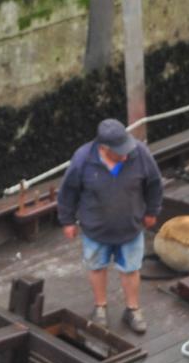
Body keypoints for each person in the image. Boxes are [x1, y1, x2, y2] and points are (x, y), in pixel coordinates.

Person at [57, 118, 163, 335]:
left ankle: (132, 310)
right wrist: (67, 220)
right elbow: (68, 191)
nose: (125, 155)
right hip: (95, 229)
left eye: (126, 148)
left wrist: (152, 211)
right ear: (103, 148)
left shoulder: (140, 153)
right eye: (119, 152)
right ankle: (100, 308)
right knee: (96, 267)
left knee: (131, 269)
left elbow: (154, 183)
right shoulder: (83, 159)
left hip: (130, 227)